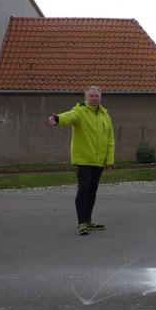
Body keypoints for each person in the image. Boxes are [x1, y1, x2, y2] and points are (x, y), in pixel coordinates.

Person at [48, 85, 115, 236]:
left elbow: (110, 139)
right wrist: (58, 119)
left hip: (99, 161)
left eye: (97, 96)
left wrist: (109, 159)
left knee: (92, 191)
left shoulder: (105, 115)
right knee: (84, 189)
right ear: (86, 98)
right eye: (91, 96)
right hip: (83, 159)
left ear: (100, 98)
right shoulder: (80, 111)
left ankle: (88, 221)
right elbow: (69, 116)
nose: (94, 98)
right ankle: (81, 223)